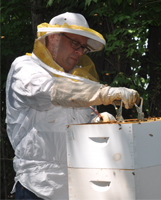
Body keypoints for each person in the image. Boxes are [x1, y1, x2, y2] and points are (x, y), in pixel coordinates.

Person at [6, 12, 140, 199]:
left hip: (80, 187)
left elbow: (76, 114)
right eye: (75, 44)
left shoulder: (78, 79)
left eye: (83, 48)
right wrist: (104, 93)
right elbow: (53, 91)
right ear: (53, 38)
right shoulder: (25, 67)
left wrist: (98, 122)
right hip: (37, 187)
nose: (79, 52)